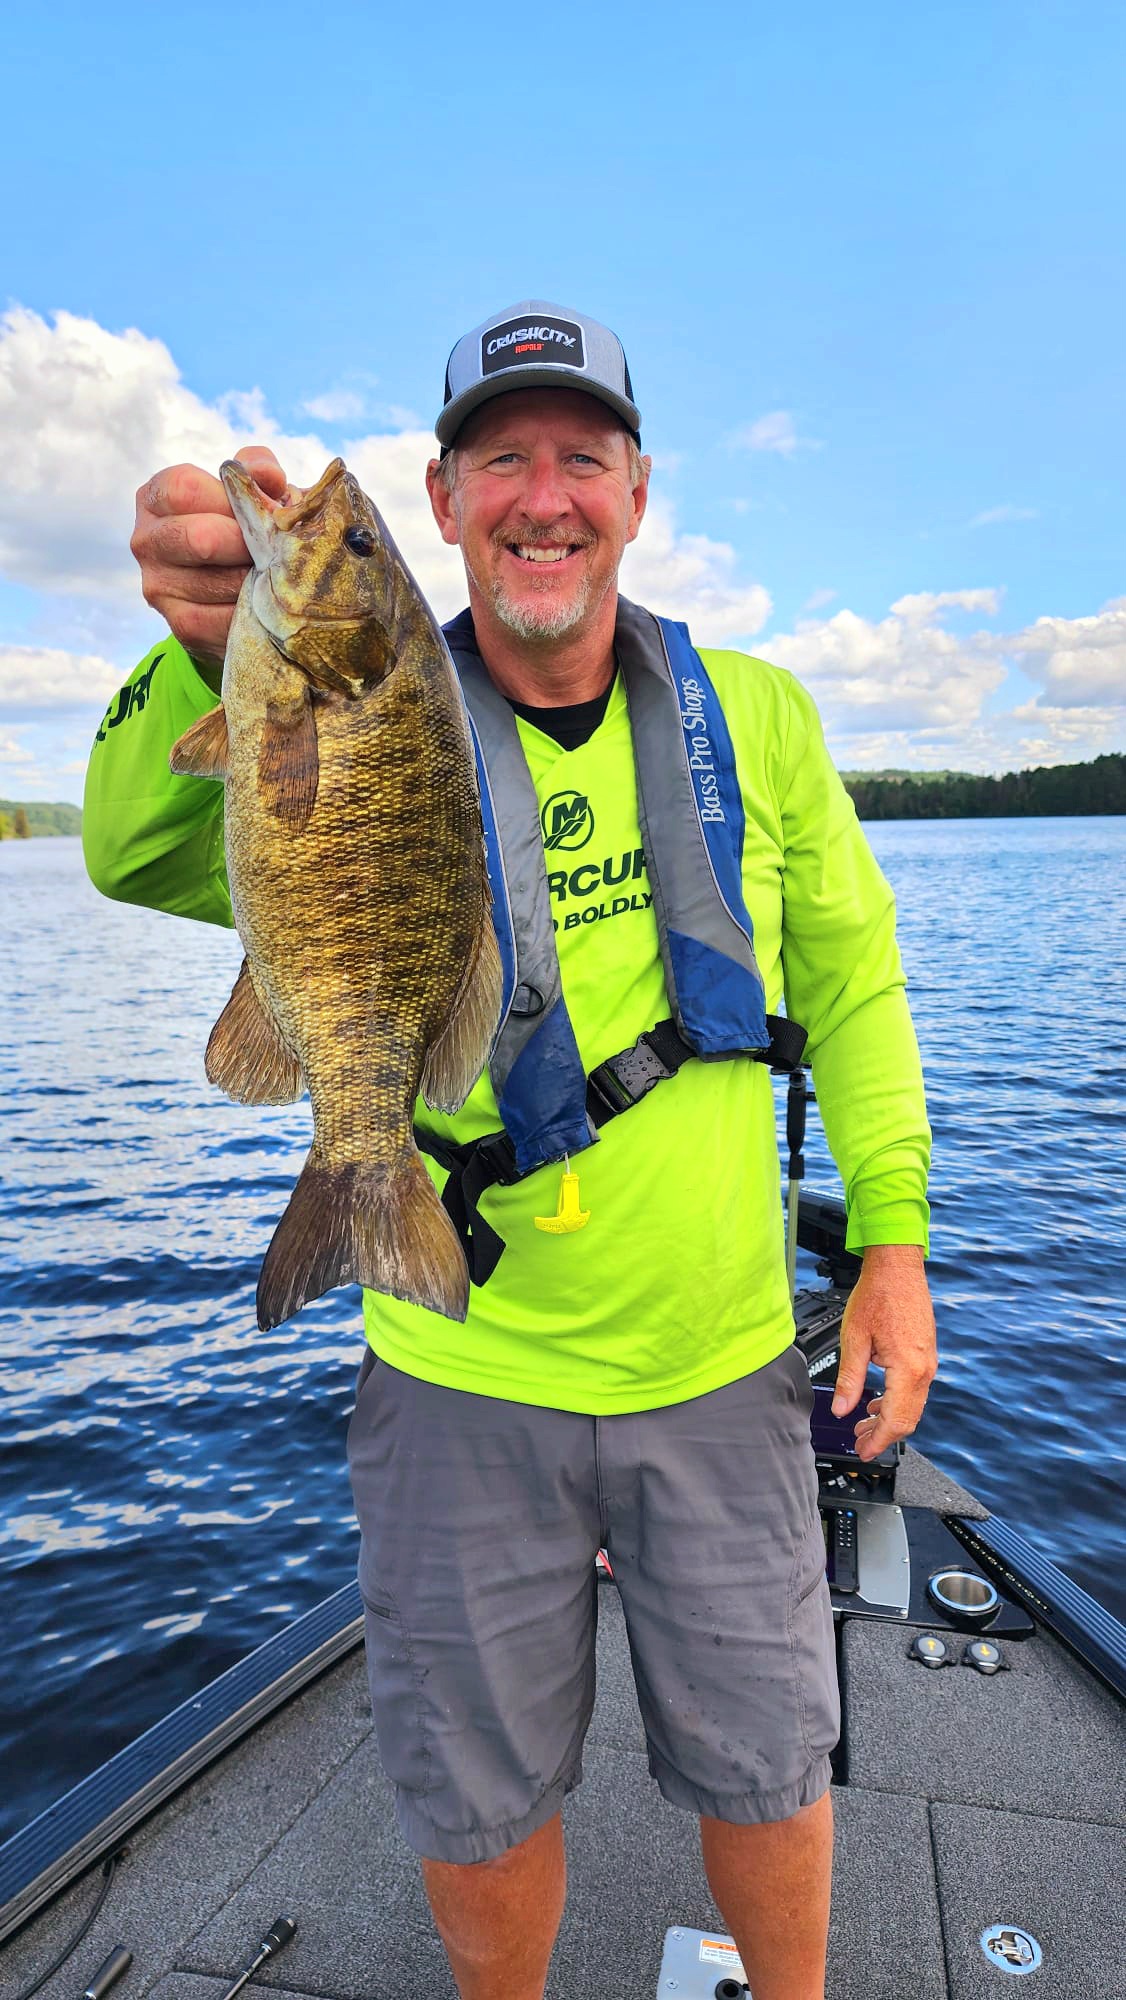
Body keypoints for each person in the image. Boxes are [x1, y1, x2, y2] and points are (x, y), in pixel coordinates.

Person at [84, 299, 937, 2000]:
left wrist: (895, 1250)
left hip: (716, 1362)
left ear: (634, 491)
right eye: (498, 462)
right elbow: (122, 851)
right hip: (455, 1364)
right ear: (446, 498)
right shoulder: (354, 708)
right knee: (474, 1790)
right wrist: (196, 648)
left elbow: (850, 980)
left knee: (769, 1758)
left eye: (579, 457)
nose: (541, 495)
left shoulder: (754, 717)